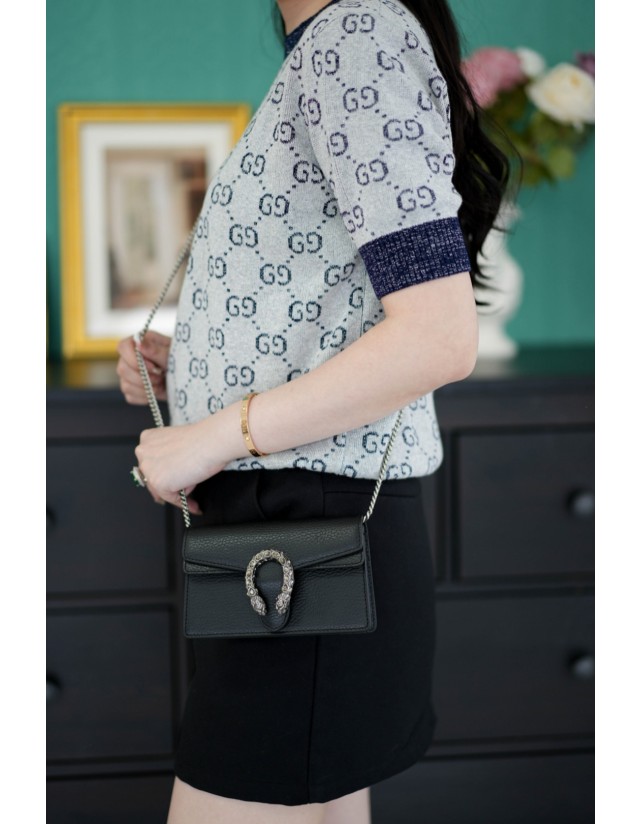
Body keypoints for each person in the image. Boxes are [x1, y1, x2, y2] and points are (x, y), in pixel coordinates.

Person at [117, 0, 512, 821]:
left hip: (307, 542)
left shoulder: (355, 35)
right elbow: (341, 302)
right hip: (294, 540)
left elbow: (438, 338)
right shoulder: (334, 43)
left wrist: (210, 437)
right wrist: (191, 366)